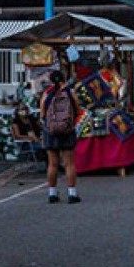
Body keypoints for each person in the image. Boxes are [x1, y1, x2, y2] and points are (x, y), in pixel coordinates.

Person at [40, 70, 80, 204]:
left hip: (50, 132)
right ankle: (72, 194)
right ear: (64, 79)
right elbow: (78, 110)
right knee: (69, 164)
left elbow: (42, 114)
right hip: (67, 130)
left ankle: (52, 193)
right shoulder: (70, 92)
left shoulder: (47, 94)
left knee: (52, 164)